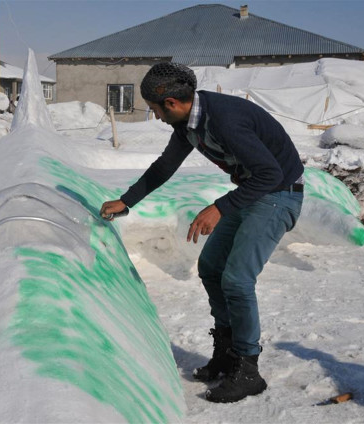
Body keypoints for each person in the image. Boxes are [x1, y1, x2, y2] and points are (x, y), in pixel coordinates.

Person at [100, 62, 304, 403]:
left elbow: (270, 173)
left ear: (171, 103)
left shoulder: (224, 120)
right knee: (211, 267)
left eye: (155, 110)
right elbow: (164, 166)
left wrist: (220, 207)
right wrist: (127, 201)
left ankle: (248, 370)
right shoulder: (189, 123)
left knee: (237, 280)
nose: (157, 117)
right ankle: (227, 353)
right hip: (254, 190)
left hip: (279, 193)